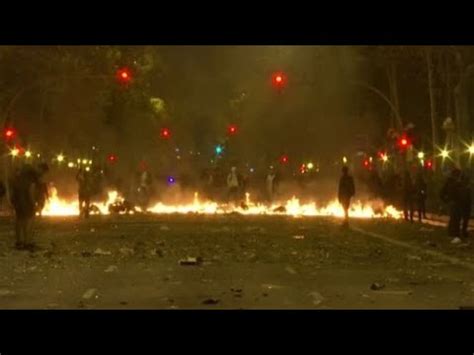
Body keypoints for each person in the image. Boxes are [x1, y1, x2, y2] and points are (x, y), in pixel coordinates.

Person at [10, 163, 48, 250]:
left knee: (20, 220)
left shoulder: (21, 175)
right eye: (43, 172)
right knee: (29, 221)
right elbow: (31, 189)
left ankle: (19, 242)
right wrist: (34, 203)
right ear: (40, 169)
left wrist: (12, 200)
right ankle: (28, 242)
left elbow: (13, 187)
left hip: (18, 200)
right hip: (26, 201)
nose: (42, 174)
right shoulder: (32, 176)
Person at [440, 168, 462, 243]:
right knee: (456, 219)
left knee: (453, 219)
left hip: (453, 203)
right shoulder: (455, 183)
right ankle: (455, 234)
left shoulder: (449, 182)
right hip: (456, 203)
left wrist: (446, 200)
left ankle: (452, 234)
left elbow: (442, 193)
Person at [458, 171, 471, 239]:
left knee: (461, 219)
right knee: (465, 220)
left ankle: (461, 231)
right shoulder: (466, 189)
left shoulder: (460, 187)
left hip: (462, 205)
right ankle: (463, 232)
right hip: (465, 206)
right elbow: (468, 198)